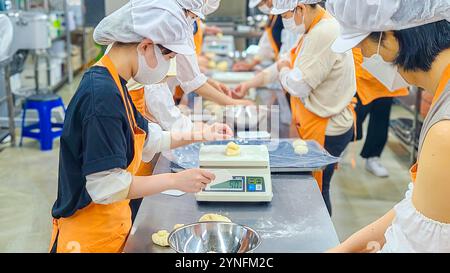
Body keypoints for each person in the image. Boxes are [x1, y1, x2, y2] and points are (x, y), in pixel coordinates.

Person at [49, 0, 233, 253]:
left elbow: (147, 138)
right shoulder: (101, 96)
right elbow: (105, 185)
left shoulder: (115, 82)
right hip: (88, 239)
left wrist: (201, 133)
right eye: (168, 57)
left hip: (111, 226)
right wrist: (175, 180)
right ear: (146, 46)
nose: (169, 66)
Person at [327, 0, 450, 252]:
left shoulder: (444, 133)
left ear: (391, 38)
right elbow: (417, 208)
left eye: (363, 47)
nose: (364, 57)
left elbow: (423, 245)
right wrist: (345, 248)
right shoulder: (442, 95)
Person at [235, 0, 357, 215]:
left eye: (285, 15)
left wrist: (283, 71)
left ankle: (321, 243)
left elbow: (298, 85)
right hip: (316, 120)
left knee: (318, 190)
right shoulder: (313, 30)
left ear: (300, 8)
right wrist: (249, 84)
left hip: (326, 126)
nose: (284, 21)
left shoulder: (324, 32)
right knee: (313, 188)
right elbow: (286, 62)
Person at [353, 48, 409, 178]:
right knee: (353, 117)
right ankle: (340, 147)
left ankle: (373, 157)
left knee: (380, 120)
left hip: (385, 74)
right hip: (362, 70)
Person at [232, 0, 285, 72]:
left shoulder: (286, 14)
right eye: (259, 5)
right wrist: (252, 63)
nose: (266, 6)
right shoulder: (274, 14)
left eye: (264, 2)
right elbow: (268, 40)